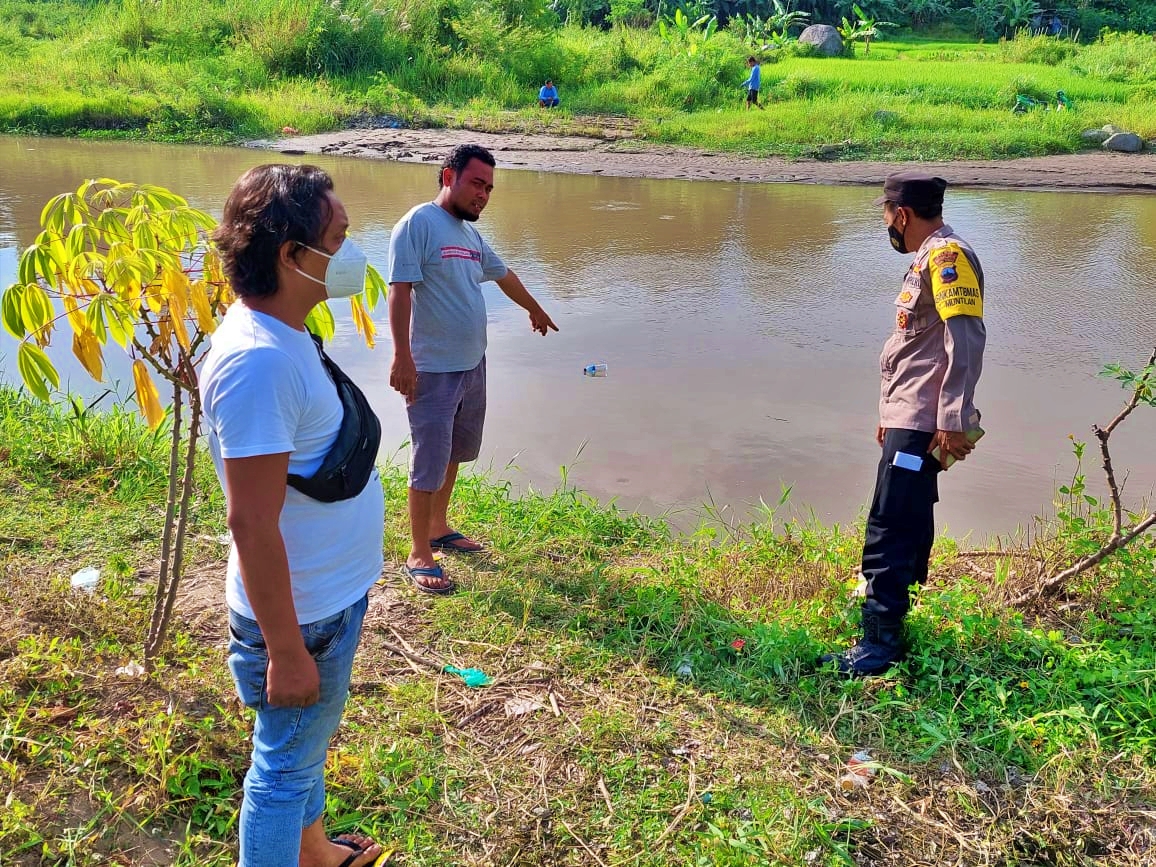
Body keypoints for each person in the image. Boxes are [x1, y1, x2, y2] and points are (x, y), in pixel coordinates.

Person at [202, 164, 386, 867]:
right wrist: (284, 650)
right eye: (339, 239)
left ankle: (313, 852)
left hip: (323, 602)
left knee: (302, 751)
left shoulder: (280, 335)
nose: (350, 254)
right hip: (302, 621)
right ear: (291, 255)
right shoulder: (258, 363)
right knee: (281, 770)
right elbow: (250, 520)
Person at [820, 172, 987, 677]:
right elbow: (914, 349)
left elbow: (966, 339)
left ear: (902, 214)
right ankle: (900, 612)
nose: (886, 223)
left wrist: (954, 419)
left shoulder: (947, 257)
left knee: (890, 524)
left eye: (887, 214)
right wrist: (890, 415)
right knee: (910, 515)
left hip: (926, 418)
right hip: (909, 415)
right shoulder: (930, 256)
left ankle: (880, 642)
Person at [387, 144, 558, 594]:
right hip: (432, 369)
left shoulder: (468, 235)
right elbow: (400, 291)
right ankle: (419, 551)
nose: (483, 194)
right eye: (476, 183)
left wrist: (535, 309)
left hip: (471, 365)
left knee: (456, 452)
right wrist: (402, 357)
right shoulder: (418, 224)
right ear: (449, 177)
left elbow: (503, 274)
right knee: (429, 458)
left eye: (489, 188)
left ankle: (439, 526)